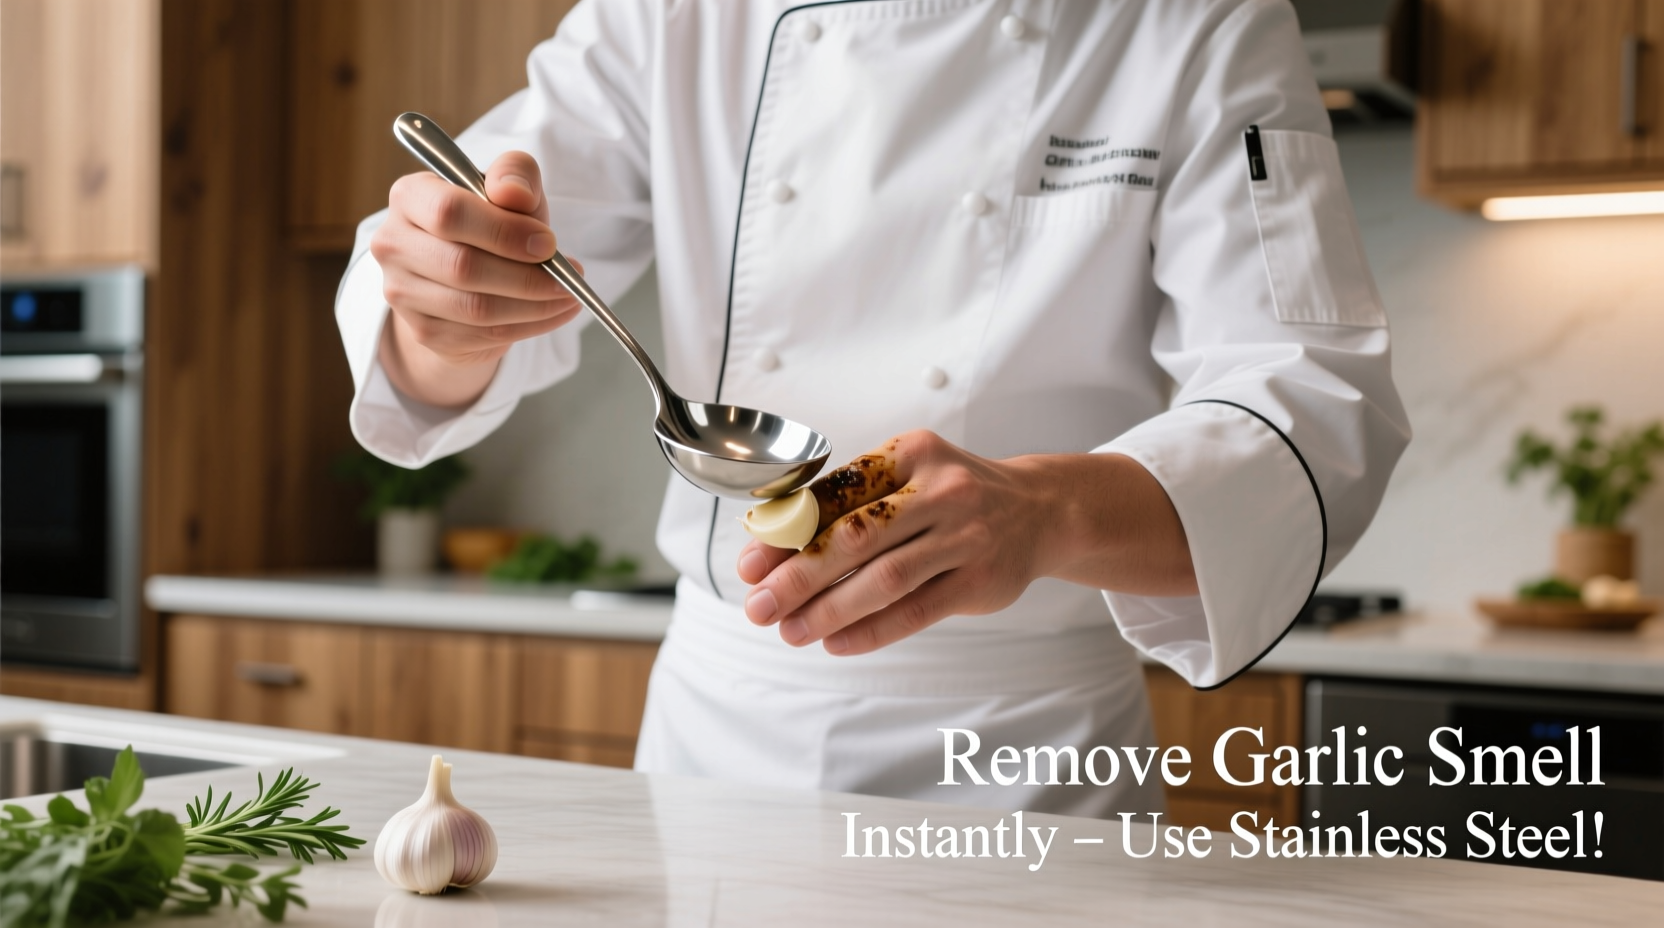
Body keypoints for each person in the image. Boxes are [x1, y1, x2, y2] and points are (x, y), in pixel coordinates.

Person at [336, 0, 1410, 817]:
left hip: (1028, 756)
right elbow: (450, 276)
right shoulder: (668, 17)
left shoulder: (1196, 21)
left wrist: (1042, 508)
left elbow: (1313, 397)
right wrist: (446, 313)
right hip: (722, 739)